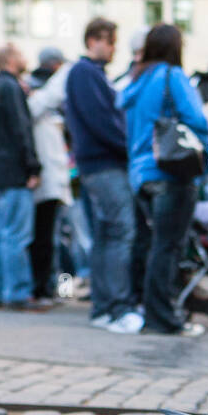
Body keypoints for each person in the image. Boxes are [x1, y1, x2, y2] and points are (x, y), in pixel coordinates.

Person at [118, 23, 208, 337]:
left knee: (154, 245)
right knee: (168, 247)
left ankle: (149, 312)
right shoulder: (173, 76)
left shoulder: (137, 80)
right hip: (171, 171)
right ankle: (163, 319)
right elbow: (197, 120)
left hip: (141, 174)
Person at [65, 18, 140, 333]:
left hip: (98, 165)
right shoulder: (85, 73)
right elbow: (102, 122)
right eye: (110, 42)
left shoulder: (89, 74)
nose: (113, 49)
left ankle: (105, 307)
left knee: (106, 236)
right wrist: (128, 147)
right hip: (104, 165)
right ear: (94, 40)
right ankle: (117, 307)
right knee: (119, 233)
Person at [0, 44, 43, 311]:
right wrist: (33, 166)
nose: (25, 58)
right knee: (17, 235)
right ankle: (17, 293)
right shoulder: (10, 88)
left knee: (4, 235)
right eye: (20, 54)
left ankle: (0, 291)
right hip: (14, 171)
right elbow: (21, 128)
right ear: (9, 60)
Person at [26, 46, 72, 305]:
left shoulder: (37, 93)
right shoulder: (39, 97)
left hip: (53, 178)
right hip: (47, 179)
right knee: (49, 239)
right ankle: (43, 289)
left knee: (54, 239)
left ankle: (54, 288)